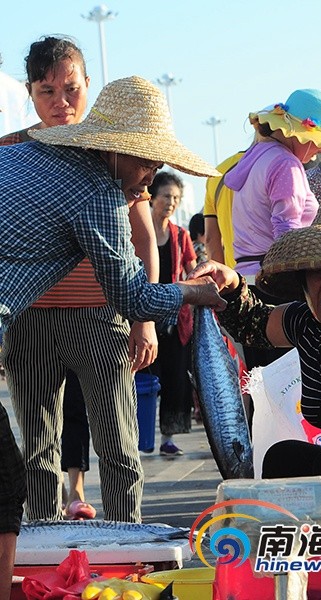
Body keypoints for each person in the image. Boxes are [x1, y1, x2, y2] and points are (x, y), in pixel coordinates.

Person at [0, 74, 223, 596]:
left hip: (64, 321)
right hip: (48, 322)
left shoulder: (23, 158)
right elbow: (132, 297)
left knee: (44, 459)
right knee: (13, 479)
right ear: (113, 151)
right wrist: (192, 293)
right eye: (143, 160)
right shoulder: (97, 190)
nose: (148, 175)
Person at [189, 198, 321, 558]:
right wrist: (229, 286)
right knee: (282, 459)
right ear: (305, 281)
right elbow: (252, 323)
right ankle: (312, 558)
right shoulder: (305, 322)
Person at [0, 36, 160, 523]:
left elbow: (145, 240)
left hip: (101, 315)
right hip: (29, 319)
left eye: (70, 88)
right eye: (47, 91)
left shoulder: (116, 151)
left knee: (119, 445)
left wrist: (144, 319)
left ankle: (127, 546)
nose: (61, 102)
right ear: (30, 93)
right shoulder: (10, 152)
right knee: (37, 449)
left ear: (88, 85)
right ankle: (44, 550)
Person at [225, 89, 321, 375]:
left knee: (262, 384)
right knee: (288, 386)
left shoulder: (258, 154)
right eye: (319, 142)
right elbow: (288, 236)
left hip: (249, 279)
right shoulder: (286, 164)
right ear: (299, 132)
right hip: (276, 285)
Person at [147, 172, 197, 456]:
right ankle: (139, 432)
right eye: (166, 196)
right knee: (141, 377)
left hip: (176, 317)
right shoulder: (137, 230)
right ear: (153, 197)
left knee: (175, 378)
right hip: (143, 314)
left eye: (176, 198)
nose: (171, 202)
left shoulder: (181, 235)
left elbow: (192, 270)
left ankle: (168, 437)